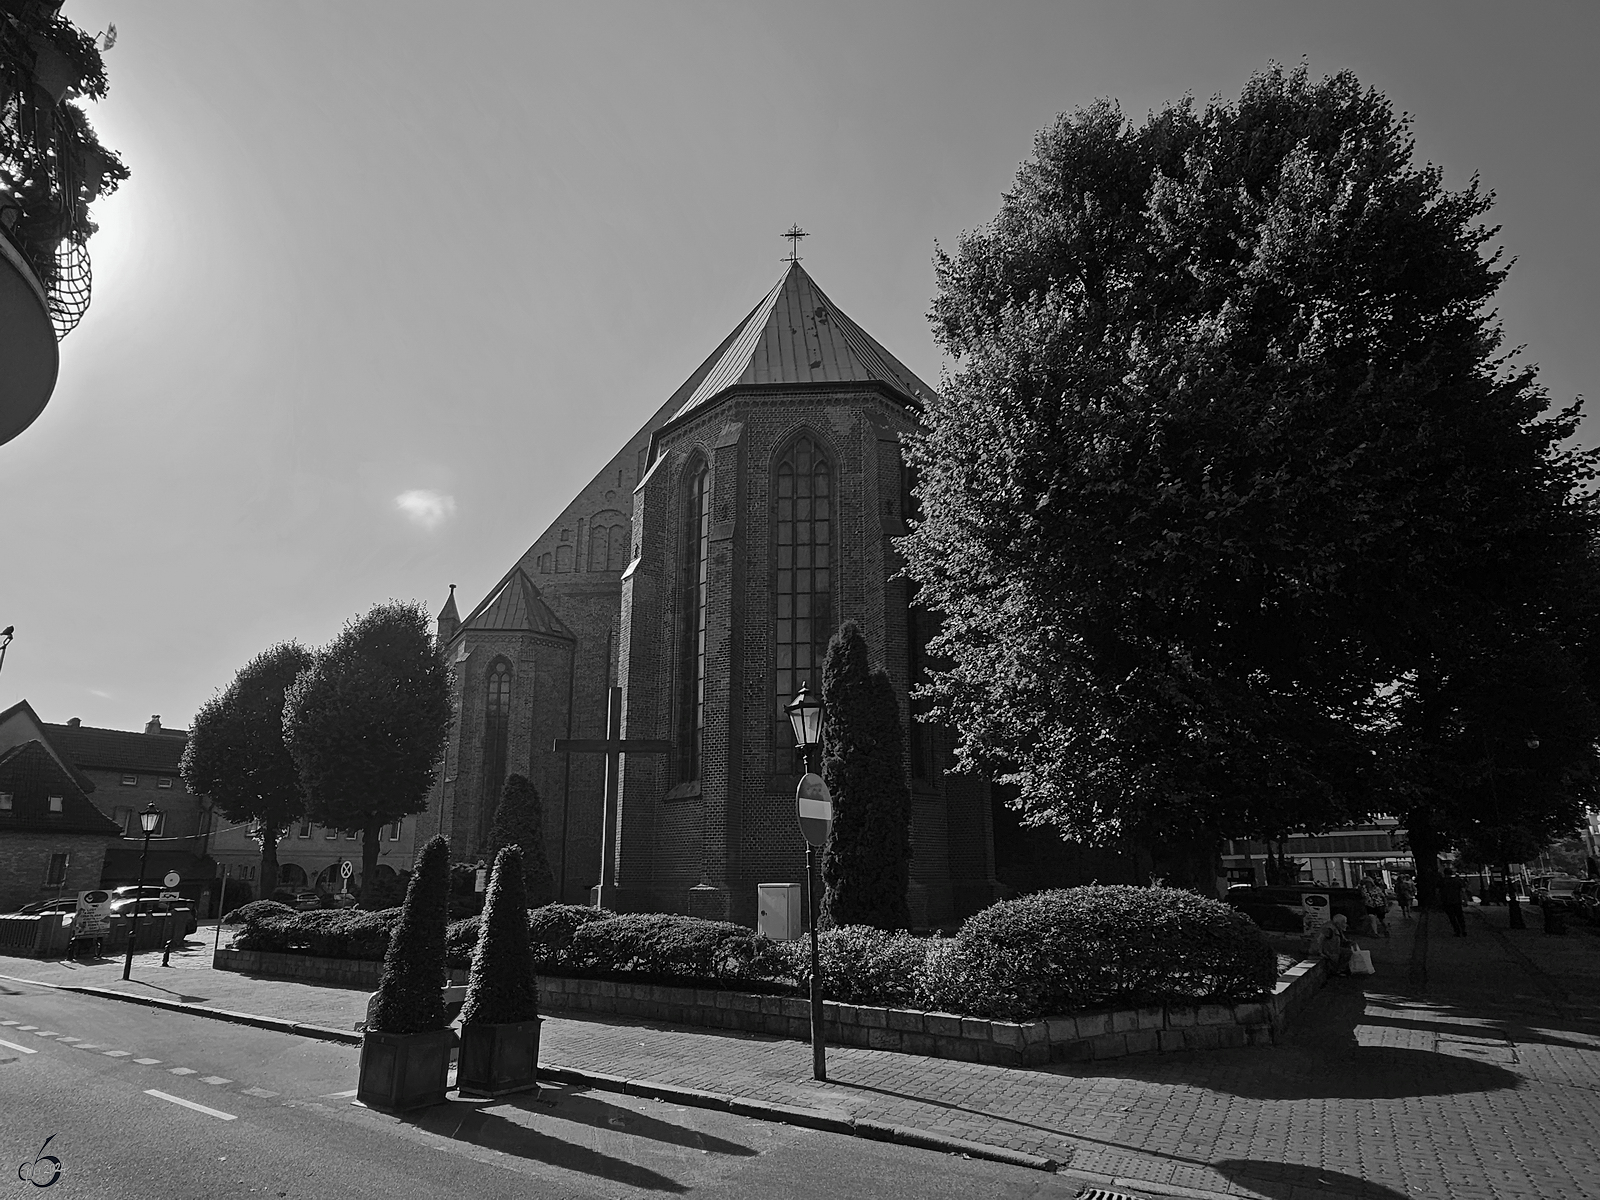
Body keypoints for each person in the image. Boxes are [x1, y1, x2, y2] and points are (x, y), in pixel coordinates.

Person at [1438, 867, 1469, 936]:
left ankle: (1457, 930)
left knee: (1452, 917)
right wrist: (1465, 900)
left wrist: (1440, 901)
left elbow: (1438, 892)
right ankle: (1463, 930)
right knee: (1460, 916)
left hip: (1447, 901)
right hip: (1457, 901)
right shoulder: (1457, 881)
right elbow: (1463, 891)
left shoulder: (1442, 882)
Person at [1360, 872, 1392, 937]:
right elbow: (1363, 896)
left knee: (1381, 919)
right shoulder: (1364, 890)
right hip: (1369, 905)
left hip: (1379, 905)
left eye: (1368, 882)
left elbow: (1383, 896)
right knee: (1372, 918)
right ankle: (1375, 933)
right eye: (1365, 883)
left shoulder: (1376, 888)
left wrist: (1386, 905)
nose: (1367, 884)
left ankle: (1386, 929)